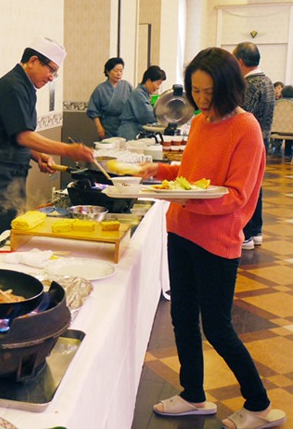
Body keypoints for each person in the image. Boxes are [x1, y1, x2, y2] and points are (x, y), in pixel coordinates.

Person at [137, 47, 285, 429]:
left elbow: (236, 196)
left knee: (217, 326)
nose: (202, 100)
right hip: (181, 230)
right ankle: (193, 395)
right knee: (183, 318)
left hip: (216, 240)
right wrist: (162, 172)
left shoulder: (246, 128)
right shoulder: (201, 122)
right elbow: (192, 174)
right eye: (196, 92)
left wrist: (183, 197)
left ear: (228, 87)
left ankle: (260, 405)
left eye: (209, 92)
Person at [0, 37, 94, 258]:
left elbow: (14, 136)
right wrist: (67, 150)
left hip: (9, 174)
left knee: (10, 235)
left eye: (55, 74)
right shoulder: (12, 86)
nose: (51, 78)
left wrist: (39, 156)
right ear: (34, 60)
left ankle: (1, 284)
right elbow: (23, 136)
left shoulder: (25, 87)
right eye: (51, 71)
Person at [233, 42, 275, 250]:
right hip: (264, 139)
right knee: (256, 185)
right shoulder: (267, 81)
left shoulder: (249, 84)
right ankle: (256, 230)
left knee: (246, 187)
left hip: (248, 141)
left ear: (240, 61)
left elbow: (242, 113)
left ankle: (246, 234)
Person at [86, 57, 134, 139]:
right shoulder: (100, 89)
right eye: (116, 71)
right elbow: (93, 111)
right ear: (108, 71)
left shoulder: (127, 86)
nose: (119, 74)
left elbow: (134, 104)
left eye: (121, 71)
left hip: (125, 126)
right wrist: (99, 127)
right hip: (107, 127)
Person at [117, 65, 166, 141]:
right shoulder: (138, 94)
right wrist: (165, 116)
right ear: (148, 81)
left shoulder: (144, 94)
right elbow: (147, 116)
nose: (158, 87)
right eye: (157, 83)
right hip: (129, 131)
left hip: (135, 129)